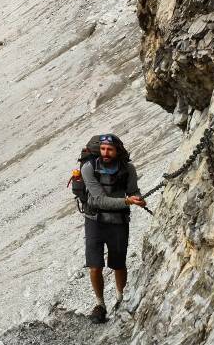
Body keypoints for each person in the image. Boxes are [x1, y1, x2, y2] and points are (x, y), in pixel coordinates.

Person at [81, 134, 146, 324]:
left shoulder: (128, 169)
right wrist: (127, 201)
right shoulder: (88, 168)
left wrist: (138, 198)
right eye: (102, 149)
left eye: (109, 149)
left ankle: (120, 298)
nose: (105, 153)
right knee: (95, 265)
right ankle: (100, 304)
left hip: (118, 220)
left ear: (117, 150)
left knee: (118, 262)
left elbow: (133, 190)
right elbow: (99, 199)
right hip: (95, 219)